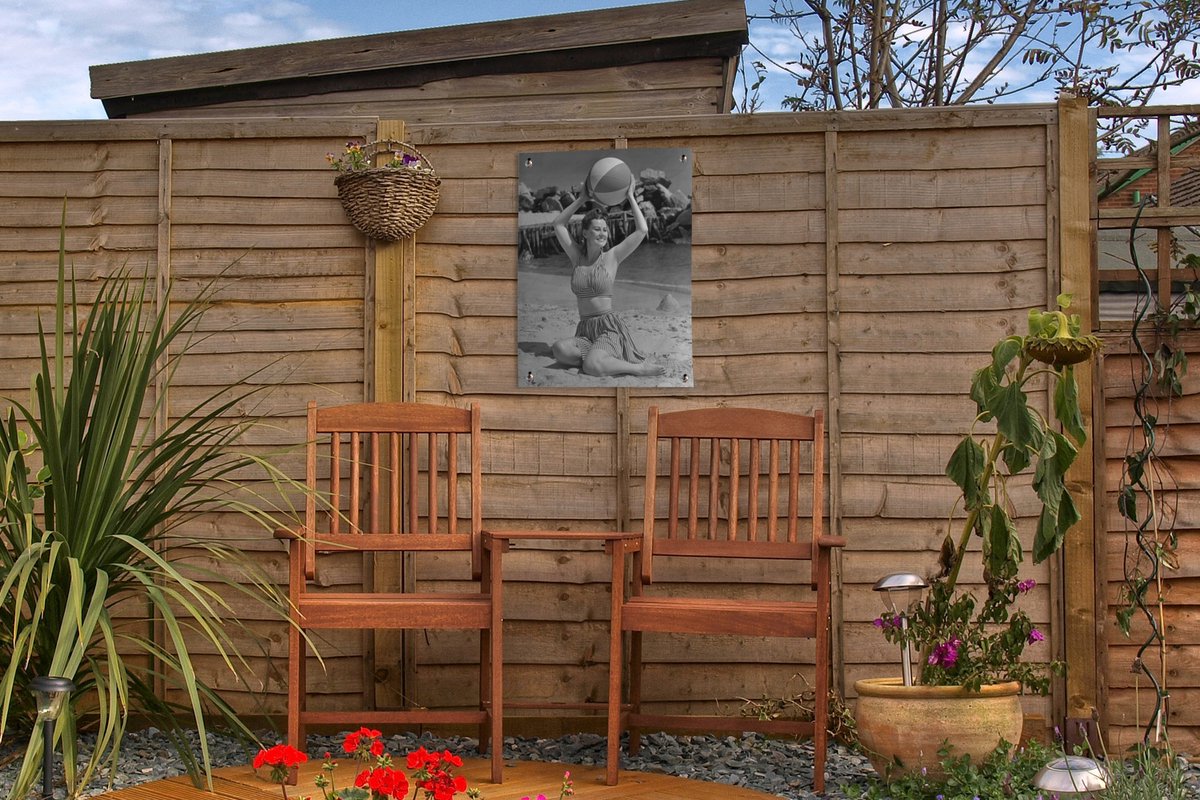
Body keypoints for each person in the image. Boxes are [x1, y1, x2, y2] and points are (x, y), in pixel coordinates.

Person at [549, 179, 666, 378]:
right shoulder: (576, 257)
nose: (602, 233)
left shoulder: (613, 256)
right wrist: (582, 199)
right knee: (559, 349)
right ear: (585, 233)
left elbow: (642, 230)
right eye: (597, 229)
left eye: (605, 229)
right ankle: (599, 359)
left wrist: (630, 196)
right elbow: (558, 224)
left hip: (608, 328)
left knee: (591, 366)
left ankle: (638, 369)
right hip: (585, 330)